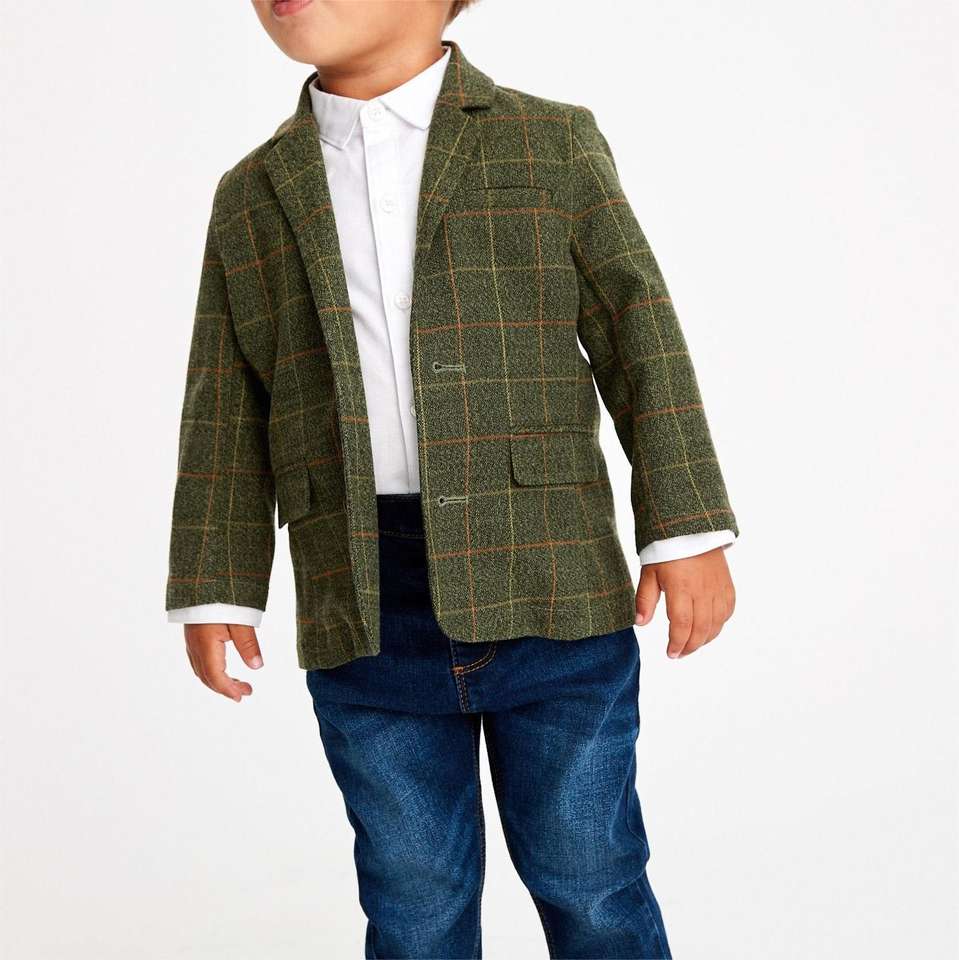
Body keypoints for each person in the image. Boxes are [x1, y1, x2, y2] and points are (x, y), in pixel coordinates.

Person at [166, 2, 739, 956]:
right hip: (361, 594)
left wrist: (684, 528)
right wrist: (215, 585)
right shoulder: (253, 190)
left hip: (553, 582)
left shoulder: (548, 141)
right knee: (412, 899)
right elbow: (225, 397)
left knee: (590, 876)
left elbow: (637, 330)